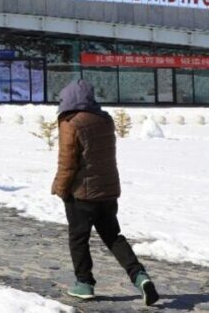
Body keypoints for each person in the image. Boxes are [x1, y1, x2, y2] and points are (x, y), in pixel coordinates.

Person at [51, 79, 158, 305]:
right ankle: (140, 276)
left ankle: (84, 283)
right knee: (113, 237)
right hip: (107, 192)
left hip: (81, 194)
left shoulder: (70, 123)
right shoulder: (105, 120)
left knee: (78, 238)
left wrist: (60, 188)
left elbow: (67, 163)